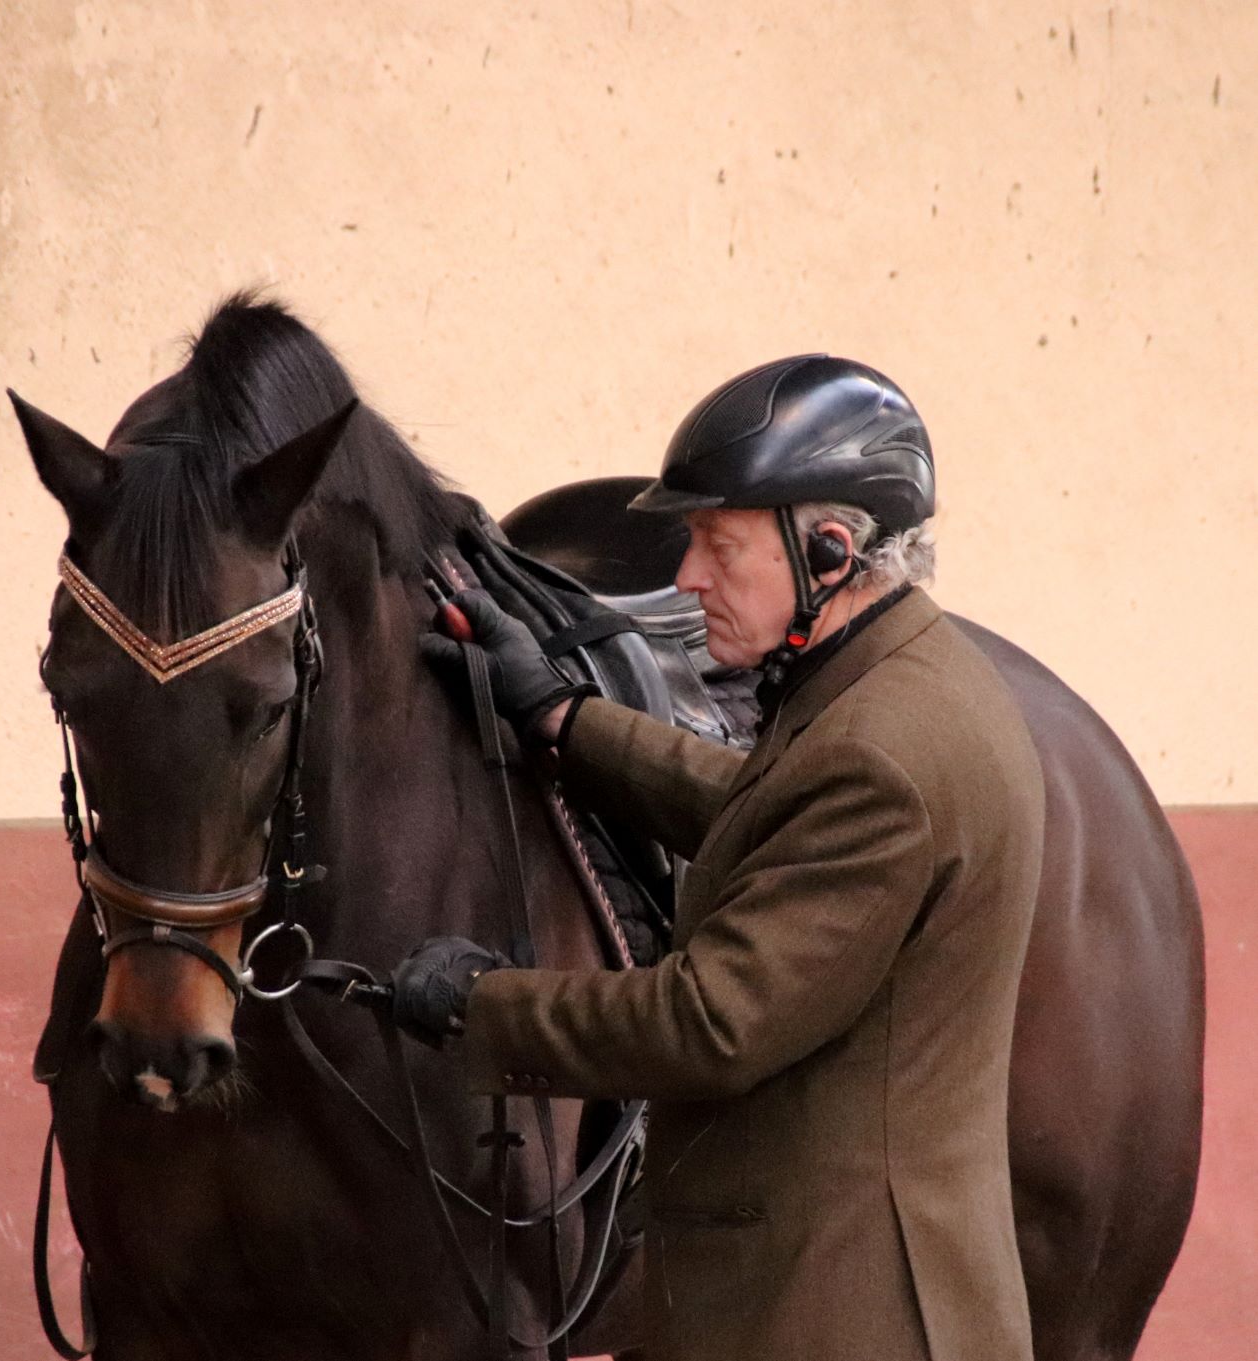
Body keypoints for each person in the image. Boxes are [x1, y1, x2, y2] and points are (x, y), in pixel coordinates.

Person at [400, 355, 1046, 1361]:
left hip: (831, 1314)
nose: (686, 576)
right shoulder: (904, 676)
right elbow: (760, 812)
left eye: (717, 545)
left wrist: (482, 1003)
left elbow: (710, 1021)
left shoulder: (880, 750)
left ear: (830, 550)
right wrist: (562, 716)